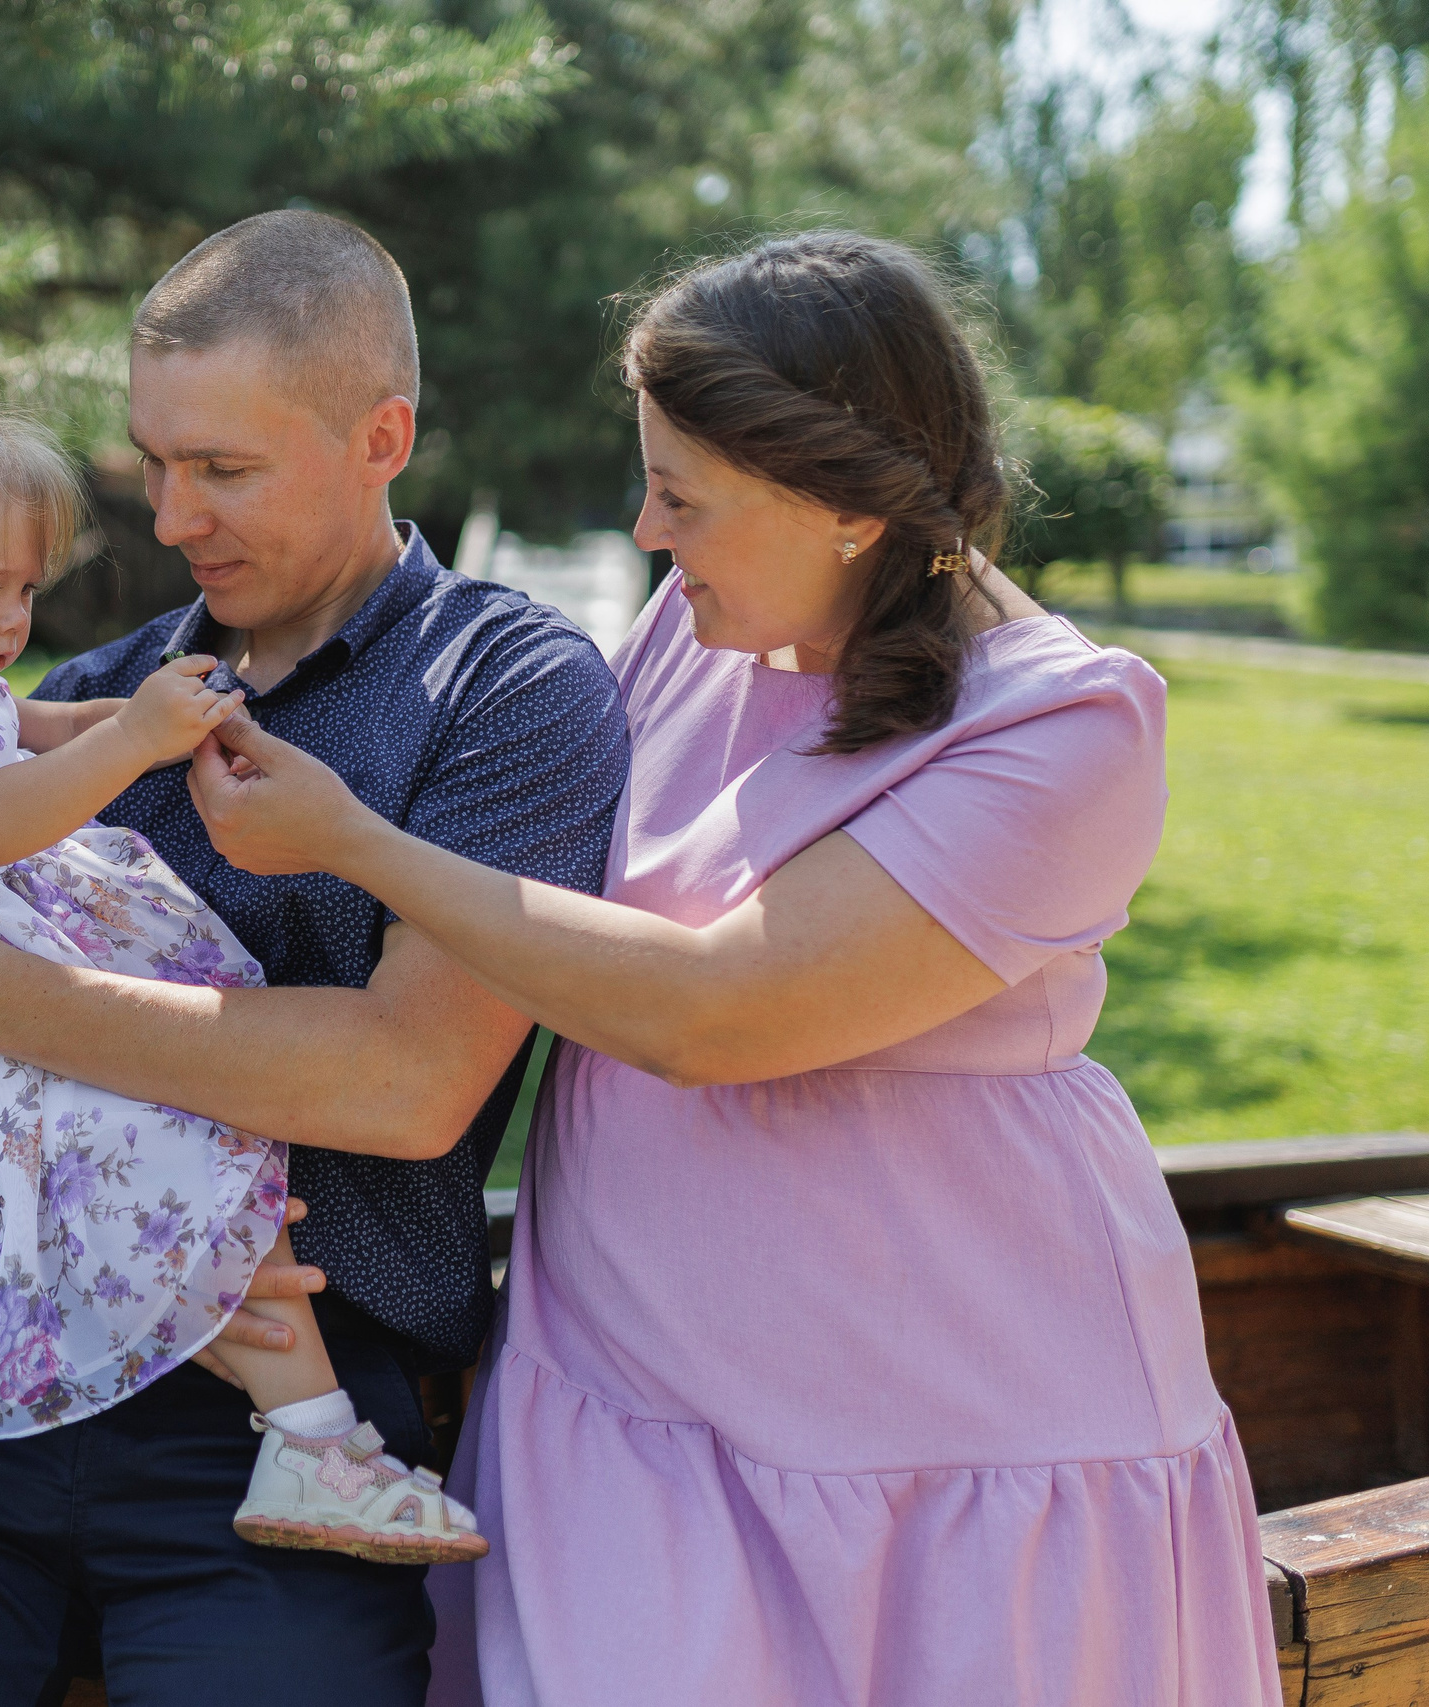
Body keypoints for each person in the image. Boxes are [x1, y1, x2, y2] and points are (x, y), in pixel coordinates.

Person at [184, 231, 1284, 1705]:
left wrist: (361, 839)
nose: (646, 530)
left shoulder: (1066, 732)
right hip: (633, 1395)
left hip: (949, 1433)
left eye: (682, 496)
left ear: (840, 504)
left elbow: (713, 1010)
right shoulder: (711, 629)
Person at [0, 211, 632, 1705]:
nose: (170, 517)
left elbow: (404, 1079)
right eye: (156, 462)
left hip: (286, 1425)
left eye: (222, 468)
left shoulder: (502, 687)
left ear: (382, 436)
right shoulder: (112, 695)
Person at [0, 346, 487, 1563]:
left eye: (27, 589)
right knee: (164, 1158)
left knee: (198, 1155)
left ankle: (307, 1441)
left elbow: (45, 722)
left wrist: (170, 711)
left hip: (1, 980)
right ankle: (311, 1437)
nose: (16, 622)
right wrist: (133, 739)